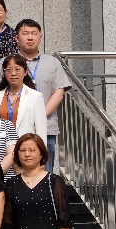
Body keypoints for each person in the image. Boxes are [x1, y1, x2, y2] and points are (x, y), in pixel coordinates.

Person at [11, 19, 70, 170]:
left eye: (34, 33)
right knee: (14, 175)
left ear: (40, 37)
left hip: (47, 127)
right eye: (25, 33)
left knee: (45, 173)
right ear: (17, 38)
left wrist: (39, 116)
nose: (30, 37)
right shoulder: (7, 62)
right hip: (15, 128)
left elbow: (59, 91)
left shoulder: (53, 62)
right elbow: (0, 92)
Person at [0, 55, 48, 140]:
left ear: (25, 72)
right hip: (1, 146)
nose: (13, 73)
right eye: (9, 70)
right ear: (4, 73)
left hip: (25, 145)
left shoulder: (35, 96)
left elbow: (41, 130)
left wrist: (41, 147)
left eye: (17, 69)